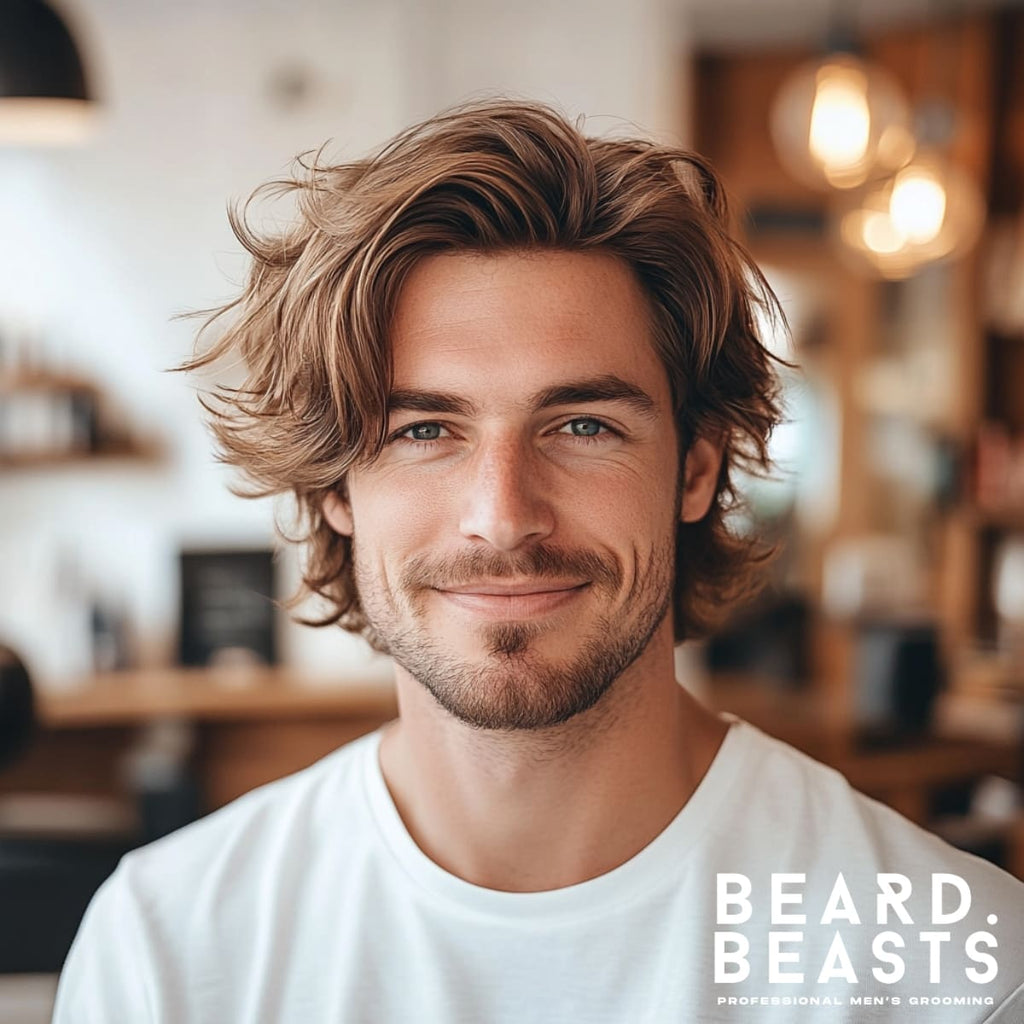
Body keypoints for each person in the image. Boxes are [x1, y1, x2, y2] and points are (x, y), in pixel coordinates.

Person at [54, 101, 1024, 1023]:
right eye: (425, 428)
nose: (501, 515)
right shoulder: (169, 950)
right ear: (334, 491)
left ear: (694, 467)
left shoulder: (955, 967)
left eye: (583, 424)